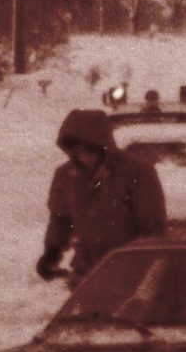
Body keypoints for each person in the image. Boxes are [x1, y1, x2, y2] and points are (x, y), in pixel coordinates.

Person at [39, 109, 167, 283]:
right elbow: (60, 220)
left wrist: (144, 266)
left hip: (129, 273)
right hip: (86, 273)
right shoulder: (65, 175)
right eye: (77, 150)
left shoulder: (137, 173)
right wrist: (51, 253)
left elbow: (152, 226)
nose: (84, 157)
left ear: (103, 146)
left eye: (90, 150)